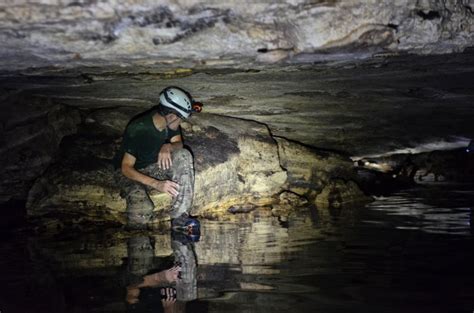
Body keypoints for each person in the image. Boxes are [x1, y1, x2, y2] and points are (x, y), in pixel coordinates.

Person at [114, 86, 202, 229]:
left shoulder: (170, 124)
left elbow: (178, 144)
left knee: (183, 155)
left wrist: (168, 147)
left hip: (153, 165)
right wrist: (156, 184)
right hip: (130, 172)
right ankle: (137, 237)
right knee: (142, 206)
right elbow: (126, 167)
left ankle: (180, 219)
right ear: (171, 116)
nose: (181, 122)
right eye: (180, 118)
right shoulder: (139, 128)